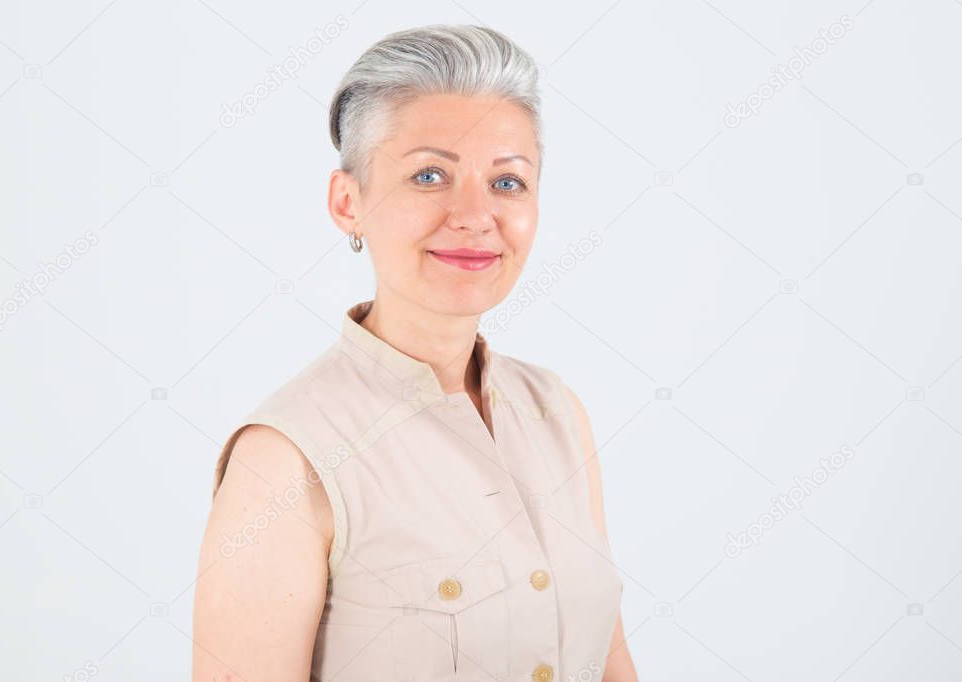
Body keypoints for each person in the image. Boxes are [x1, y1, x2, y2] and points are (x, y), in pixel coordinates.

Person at [193, 24, 638, 681]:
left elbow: (609, 662)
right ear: (348, 203)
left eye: (507, 182)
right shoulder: (287, 459)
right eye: (429, 175)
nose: (473, 214)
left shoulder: (557, 415)